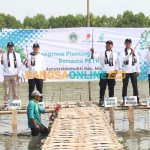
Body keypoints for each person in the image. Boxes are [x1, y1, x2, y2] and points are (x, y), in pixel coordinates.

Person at [90, 40, 119, 106]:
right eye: (107, 44)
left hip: (112, 73)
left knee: (111, 87)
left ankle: (111, 99)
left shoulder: (115, 53)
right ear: (105, 45)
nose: (108, 45)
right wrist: (92, 52)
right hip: (103, 72)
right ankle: (101, 100)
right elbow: (93, 57)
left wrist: (116, 69)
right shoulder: (101, 53)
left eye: (109, 44)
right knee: (102, 87)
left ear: (112, 46)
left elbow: (117, 62)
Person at [0, 42, 22, 109]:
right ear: (7, 47)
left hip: (15, 75)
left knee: (15, 90)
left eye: (11, 46)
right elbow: (2, 63)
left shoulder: (17, 55)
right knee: (7, 91)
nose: (10, 48)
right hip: (6, 75)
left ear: (13, 47)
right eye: (9, 46)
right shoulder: (3, 54)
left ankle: (15, 104)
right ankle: (6, 104)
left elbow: (19, 65)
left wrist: (19, 74)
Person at [121, 38, 140, 104]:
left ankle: (137, 99)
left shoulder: (135, 51)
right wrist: (129, 54)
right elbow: (123, 59)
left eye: (129, 43)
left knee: (135, 85)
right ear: (124, 43)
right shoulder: (123, 51)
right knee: (125, 85)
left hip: (134, 70)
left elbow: (137, 61)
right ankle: (124, 99)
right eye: (127, 43)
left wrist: (138, 70)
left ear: (131, 44)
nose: (128, 44)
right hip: (125, 71)